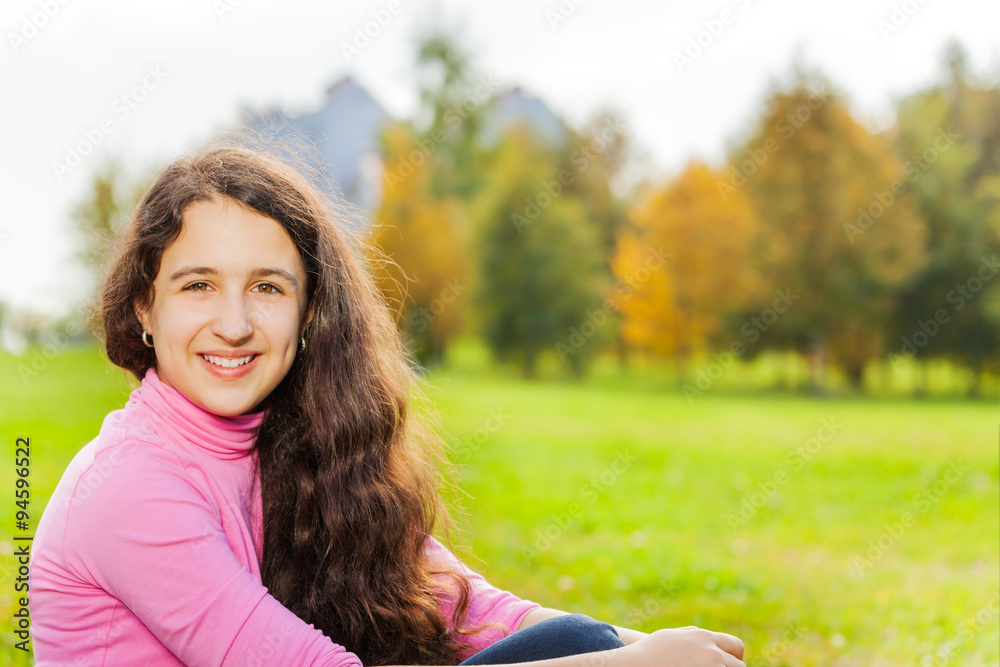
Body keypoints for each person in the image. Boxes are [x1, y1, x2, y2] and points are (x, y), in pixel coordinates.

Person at [29, 142, 746, 666]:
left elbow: (465, 604)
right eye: (198, 285)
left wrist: (639, 645)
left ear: (310, 315)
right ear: (144, 307)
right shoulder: (130, 487)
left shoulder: (293, 448)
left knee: (575, 640)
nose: (236, 323)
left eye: (269, 288)